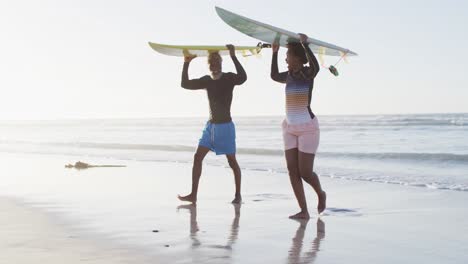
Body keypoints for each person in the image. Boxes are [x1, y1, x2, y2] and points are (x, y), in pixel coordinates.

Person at [178, 44, 247, 204]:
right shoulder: (207, 81)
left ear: (221, 63)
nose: (213, 66)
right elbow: (185, 84)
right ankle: (193, 195)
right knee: (197, 157)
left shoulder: (229, 78)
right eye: (211, 64)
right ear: (208, 65)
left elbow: (243, 78)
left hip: (225, 128)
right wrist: (186, 62)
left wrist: (233, 56)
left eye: (216, 63)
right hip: (210, 127)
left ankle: (238, 195)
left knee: (232, 162)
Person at [271, 34, 327, 219]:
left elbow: (316, 67)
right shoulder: (288, 76)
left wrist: (306, 45)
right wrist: (274, 53)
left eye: (287, 55)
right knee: (292, 170)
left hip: (308, 128)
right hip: (289, 127)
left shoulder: (306, 74)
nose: (285, 59)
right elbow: (273, 75)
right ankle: (303, 210)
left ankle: (320, 193)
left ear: (297, 58)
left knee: (305, 172)